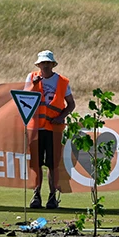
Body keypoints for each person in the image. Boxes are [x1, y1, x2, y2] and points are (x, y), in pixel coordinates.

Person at [24, 50, 75, 209]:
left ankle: (52, 197)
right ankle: (36, 195)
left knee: (52, 164)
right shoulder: (32, 78)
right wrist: (34, 85)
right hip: (35, 128)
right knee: (36, 163)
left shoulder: (62, 81)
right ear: (38, 65)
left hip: (54, 128)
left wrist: (61, 116)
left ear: (52, 64)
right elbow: (25, 100)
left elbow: (71, 104)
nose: (45, 66)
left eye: (48, 63)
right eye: (42, 63)